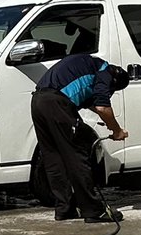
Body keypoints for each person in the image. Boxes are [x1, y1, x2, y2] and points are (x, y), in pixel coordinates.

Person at [31, 52, 130, 224]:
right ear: (115, 80)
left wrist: (109, 124)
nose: (110, 92)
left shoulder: (87, 65)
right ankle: (94, 210)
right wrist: (117, 130)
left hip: (38, 102)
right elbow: (102, 107)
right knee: (77, 155)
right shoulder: (105, 72)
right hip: (57, 103)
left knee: (53, 158)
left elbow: (92, 103)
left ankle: (64, 208)